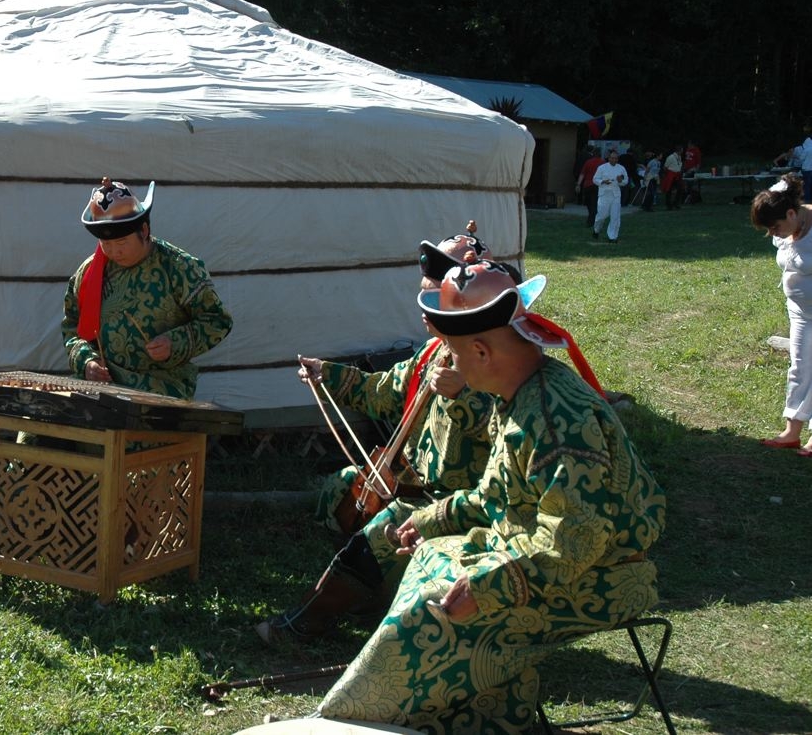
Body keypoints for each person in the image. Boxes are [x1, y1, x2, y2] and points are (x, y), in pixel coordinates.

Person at [316, 259, 666, 732]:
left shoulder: (558, 420)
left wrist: (487, 588)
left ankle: (365, 718)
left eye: (453, 354)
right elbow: (492, 497)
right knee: (430, 561)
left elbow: (575, 545)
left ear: (481, 351)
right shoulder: (518, 395)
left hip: (604, 576)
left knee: (436, 613)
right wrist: (430, 520)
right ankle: (491, 719)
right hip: (542, 556)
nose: (450, 364)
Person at [256, 228, 518, 644]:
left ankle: (310, 619)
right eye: (424, 294)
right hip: (416, 484)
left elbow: (512, 438)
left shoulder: (501, 365)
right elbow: (383, 391)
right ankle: (373, 590)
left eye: (434, 298)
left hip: (462, 503)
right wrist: (329, 374)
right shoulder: (432, 352)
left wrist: (464, 397)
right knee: (342, 490)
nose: (423, 309)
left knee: (379, 533)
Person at [62, 177, 232, 399]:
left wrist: (175, 342)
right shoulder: (89, 272)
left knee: (123, 422)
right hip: (103, 384)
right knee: (38, 420)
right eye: (106, 244)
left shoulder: (179, 267)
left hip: (159, 384)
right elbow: (72, 328)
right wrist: (87, 362)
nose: (114, 251)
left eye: (121, 242)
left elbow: (218, 320)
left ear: (143, 230)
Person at [750, 174, 812, 455]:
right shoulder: (786, 230)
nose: (772, 234)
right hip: (800, 311)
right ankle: (792, 430)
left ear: (791, 213)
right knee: (800, 367)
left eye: (775, 227)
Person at [592, 150, 629, 242]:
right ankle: (596, 230)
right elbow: (595, 179)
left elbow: (626, 181)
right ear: (609, 158)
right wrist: (603, 181)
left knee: (615, 216)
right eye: (612, 158)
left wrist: (621, 181)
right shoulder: (602, 168)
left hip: (616, 195)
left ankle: (612, 237)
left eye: (616, 158)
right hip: (604, 194)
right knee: (601, 215)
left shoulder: (621, 168)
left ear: (617, 159)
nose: (614, 160)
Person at [574, 148, 603, 230]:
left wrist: (578, 184)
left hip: (588, 185)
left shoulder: (588, 162)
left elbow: (582, 174)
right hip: (598, 186)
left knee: (589, 204)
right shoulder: (603, 163)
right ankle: (593, 220)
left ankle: (591, 219)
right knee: (595, 204)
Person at [661, 145, 685, 209]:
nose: (683, 151)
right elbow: (665, 167)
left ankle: (676, 203)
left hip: (677, 175)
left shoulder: (679, 157)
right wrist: (668, 175)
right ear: (679, 151)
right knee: (669, 190)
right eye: (682, 150)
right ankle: (669, 205)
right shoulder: (670, 157)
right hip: (671, 175)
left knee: (680, 188)